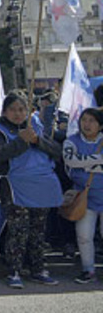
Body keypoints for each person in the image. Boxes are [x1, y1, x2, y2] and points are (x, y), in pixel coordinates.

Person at [0, 91, 63, 289]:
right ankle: (14, 270)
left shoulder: (35, 127)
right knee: (18, 230)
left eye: (21, 109)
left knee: (38, 231)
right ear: (4, 111)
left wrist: (37, 141)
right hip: (14, 189)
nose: (17, 114)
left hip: (40, 188)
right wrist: (21, 141)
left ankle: (38, 269)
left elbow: (56, 151)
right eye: (12, 110)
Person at [62, 107, 103, 284]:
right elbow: (71, 161)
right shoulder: (71, 141)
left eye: (92, 121)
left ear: (100, 126)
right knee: (84, 236)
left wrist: (85, 163)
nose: (87, 124)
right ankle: (88, 270)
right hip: (84, 198)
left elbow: (79, 162)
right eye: (84, 120)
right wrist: (99, 160)